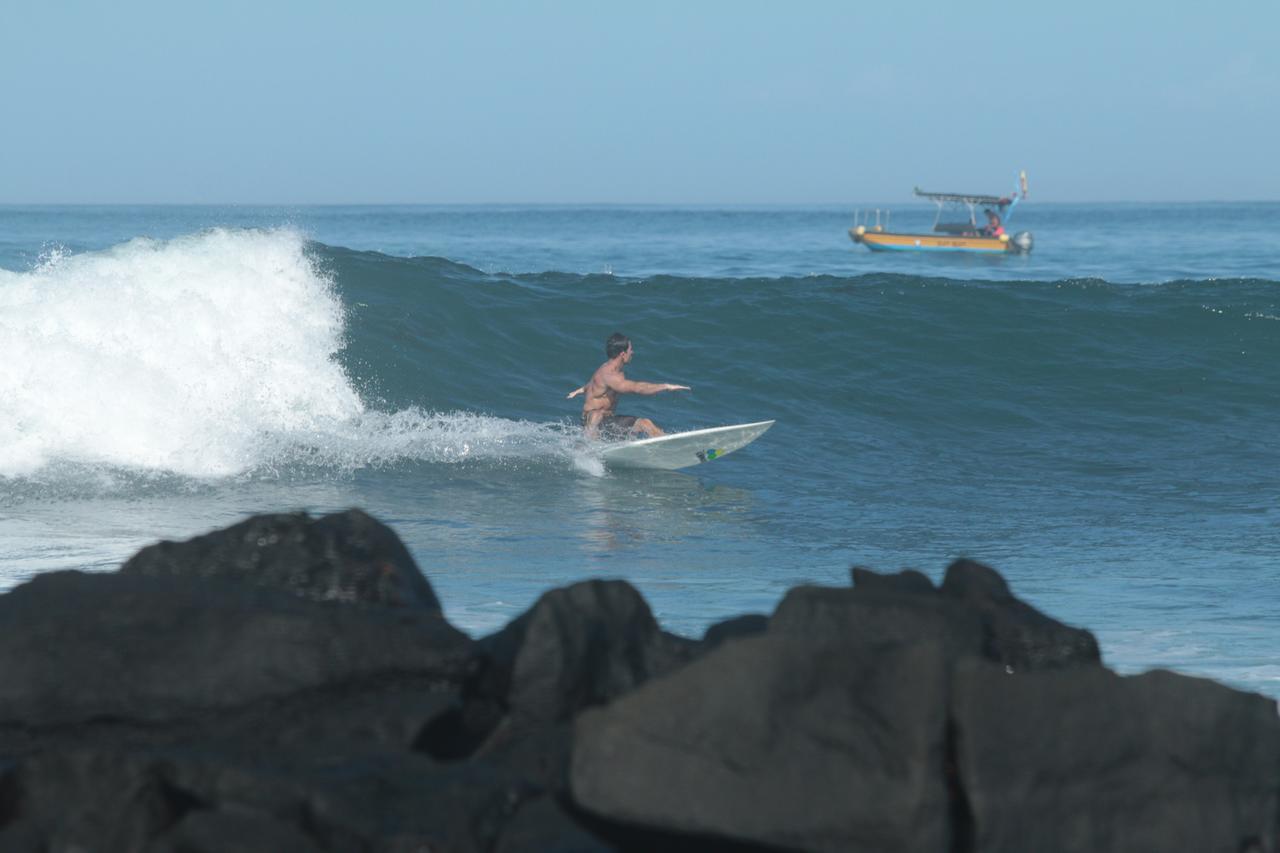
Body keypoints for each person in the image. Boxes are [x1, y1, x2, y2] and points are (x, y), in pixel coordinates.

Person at [567, 332, 690, 439]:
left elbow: (593, 385)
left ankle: (668, 444)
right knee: (596, 415)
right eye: (630, 349)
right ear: (622, 354)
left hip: (608, 423)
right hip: (592, 423)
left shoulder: (610, 371)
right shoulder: (609, 374)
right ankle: (589, 447)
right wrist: (666, 386)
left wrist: (579, 390)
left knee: (645, 423)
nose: (632, 352)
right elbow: (637, 388)